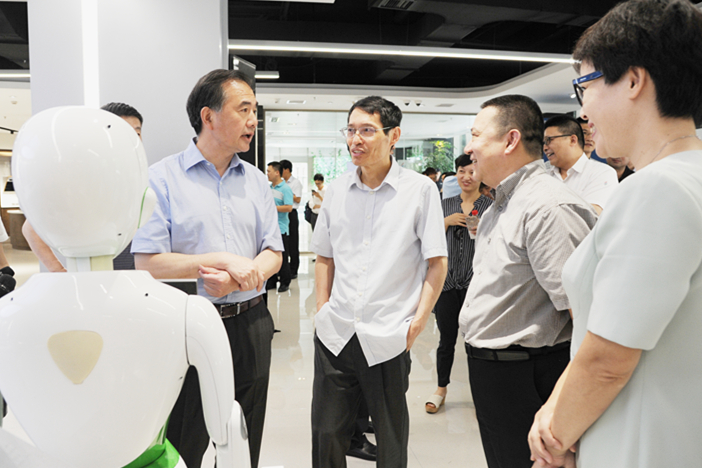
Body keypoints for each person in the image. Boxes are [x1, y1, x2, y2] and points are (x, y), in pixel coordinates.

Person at [528, 2, 702, 468]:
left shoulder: (656, 189)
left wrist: (553, 440)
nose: (582, 111)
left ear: (633, 81)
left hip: (637, 440)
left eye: (584, 86)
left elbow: (608, 360)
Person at [131, 69, 283, 468]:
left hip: (251, 323)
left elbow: (273, 252)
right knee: (186, 438)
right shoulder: (161, 179)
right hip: (188, 326)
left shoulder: (256, 181)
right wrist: (220, 261)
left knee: (245, 436)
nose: (253, 120)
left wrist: (240, 277)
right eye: (244, 109)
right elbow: (148, 263)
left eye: (255, 111)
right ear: (208, 116)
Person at [457, 94, 598, 468]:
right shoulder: (502, 203)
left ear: (510, 140)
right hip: (495, 371)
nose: (469, 148)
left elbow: (585, 320)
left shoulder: (547, 207)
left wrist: (563, 409)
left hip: (528, 374)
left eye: (476, 135)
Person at [310, 95, 447, 468]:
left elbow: (437, 262)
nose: (355, 139)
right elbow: (324, 257)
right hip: (336, 332)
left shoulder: (419, 190)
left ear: (393, 136)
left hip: (388, 334)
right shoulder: (336, 190)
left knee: (390, 437)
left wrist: (417, 322)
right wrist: (322, 310)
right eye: (351, 130)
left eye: (367, 130)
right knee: (326, 434)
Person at [22, 102, 144, 272]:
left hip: (139, 277)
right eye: (122, 133)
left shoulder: (144, 175)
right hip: (94, 277)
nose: (131, 140)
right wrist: (58, 271)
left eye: (136, 133)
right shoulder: (82, 178)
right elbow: (30, 229)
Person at [425, 154, 492, 414]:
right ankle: (440, 389)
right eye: (461, 171)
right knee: (446, 340)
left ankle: (482, 393)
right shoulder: (444, 205)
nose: (466, 176)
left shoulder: (490, 207)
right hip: (447, 283)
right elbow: (427, 239)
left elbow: (497, 244)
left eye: (472, 171)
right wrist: (446, 222)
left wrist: (482, 230)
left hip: (477, 285)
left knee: (478, 342)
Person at [544, 114, 618, 215]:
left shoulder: (602, 173)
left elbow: (589, 216)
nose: (545, 148)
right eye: (544, 142)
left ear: (573, 140)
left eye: (549, 140)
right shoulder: (543, 175)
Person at [267, 161, 293, 293]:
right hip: (269, 228)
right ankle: (271, 280)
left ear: (277, 173)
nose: (267, 174)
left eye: (269, 171)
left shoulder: (285, 189)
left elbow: (289, 207)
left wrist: (272, 208)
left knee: (282, 256)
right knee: (270, 255)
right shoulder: (268, 187)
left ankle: (285, 281)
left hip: (281, 228)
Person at [280, 159, 302, 279]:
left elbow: (297, 199)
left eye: (281, 169)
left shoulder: (295, 183)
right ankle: (285, 269)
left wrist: (286, 193)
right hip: (282, 213)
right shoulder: (281, 183)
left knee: (293, 241)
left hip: (291, 213)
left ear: (287, 170)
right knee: (284, 241)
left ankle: (294, 269)